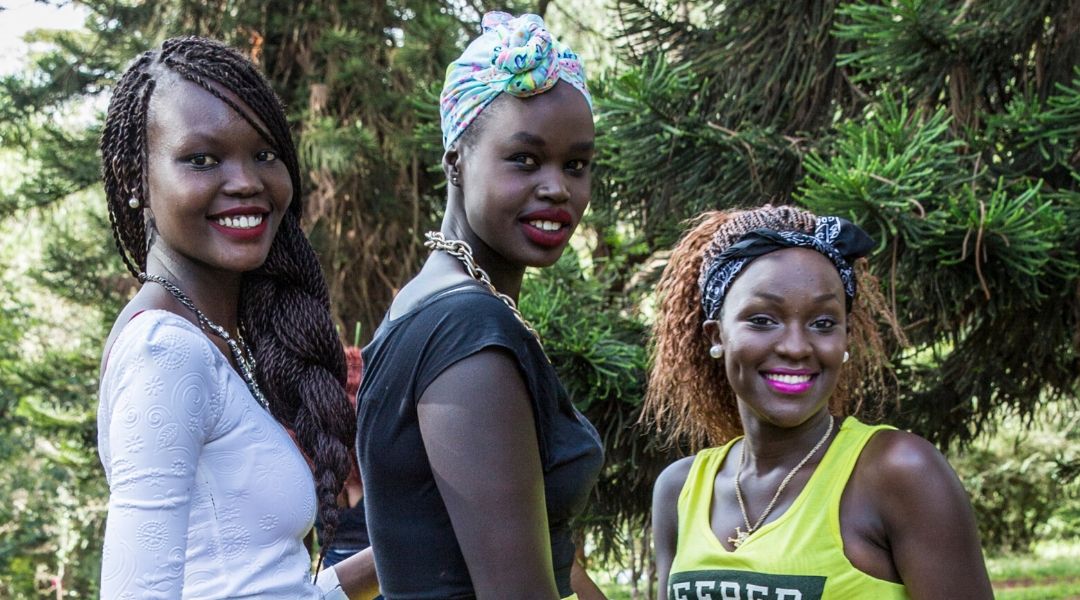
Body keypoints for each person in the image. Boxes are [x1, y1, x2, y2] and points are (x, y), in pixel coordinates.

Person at [97, 36, 364, 599]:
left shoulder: (218, 336)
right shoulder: (164, 354)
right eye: (201, 159)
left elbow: (265, 585)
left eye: (265, 154)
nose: (247, 181)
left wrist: (416, 544)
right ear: (133, 179)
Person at [355, 11, 606, 600]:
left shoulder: (432, 304)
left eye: (577, 165)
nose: (558, 188)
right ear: (455, 161)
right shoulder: (464, 326)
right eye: (524, 158)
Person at [644, 205, 994, 599]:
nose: (796, 347)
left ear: (844, 339)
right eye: (762, 319)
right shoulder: (680, 489)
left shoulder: (897, 473)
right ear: (716, 337)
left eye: (823, 323)